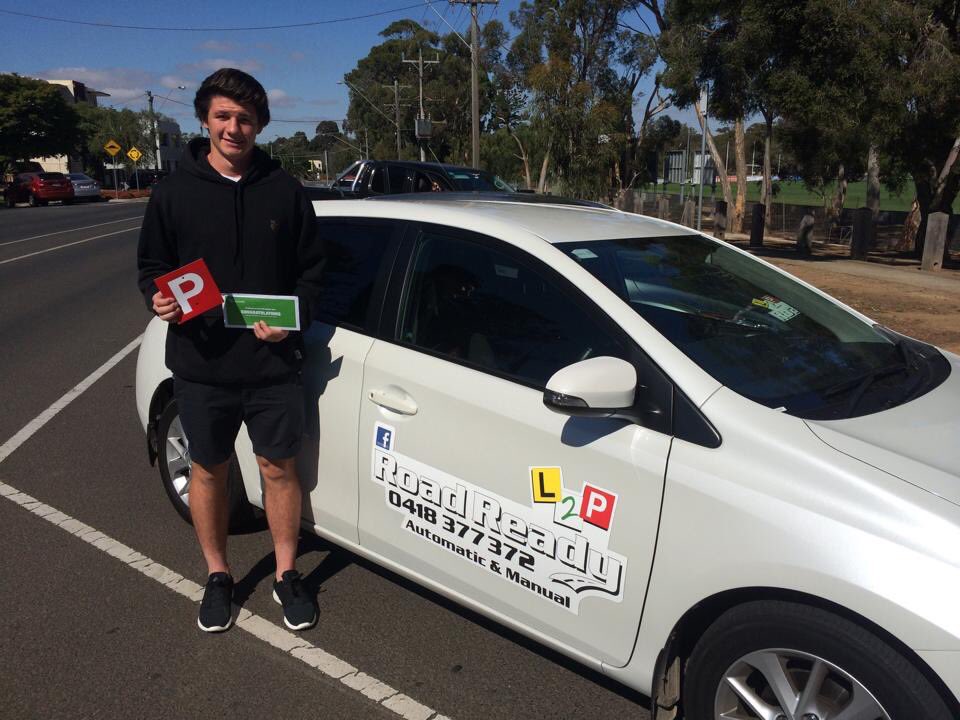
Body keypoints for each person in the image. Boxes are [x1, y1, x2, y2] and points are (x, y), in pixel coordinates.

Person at [137, 68, 325, 633]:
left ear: (260, 125)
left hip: (272, 365)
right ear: (205, 120)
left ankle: (287, 575)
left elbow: (313, 272)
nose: (233, 128)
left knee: (278, 469)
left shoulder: (285, 190)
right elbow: (152, 268)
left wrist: (293, 322)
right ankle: (218, 575)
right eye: (223, 116)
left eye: (244, 118)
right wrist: (157, 300)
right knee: (209, 470)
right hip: (201, 364)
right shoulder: (173, 191)